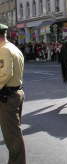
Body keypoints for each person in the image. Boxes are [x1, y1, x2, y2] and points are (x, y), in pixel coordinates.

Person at [0, 23, 26, 164]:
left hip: (7, 98)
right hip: (16, 93)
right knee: (14, 134)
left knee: (12, 136)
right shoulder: (14, 48)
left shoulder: (3, 50)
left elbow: (4, 74)